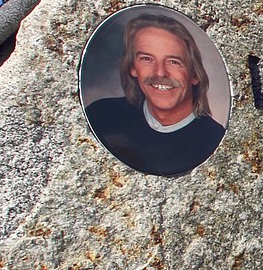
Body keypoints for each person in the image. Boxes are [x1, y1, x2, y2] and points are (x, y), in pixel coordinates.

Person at [85, 14, 225, 176]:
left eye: (173, 61)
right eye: (146, 59)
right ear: (133, 67)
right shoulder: (101, 115)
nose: (160, 72)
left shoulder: (213, 140)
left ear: (194, 74)